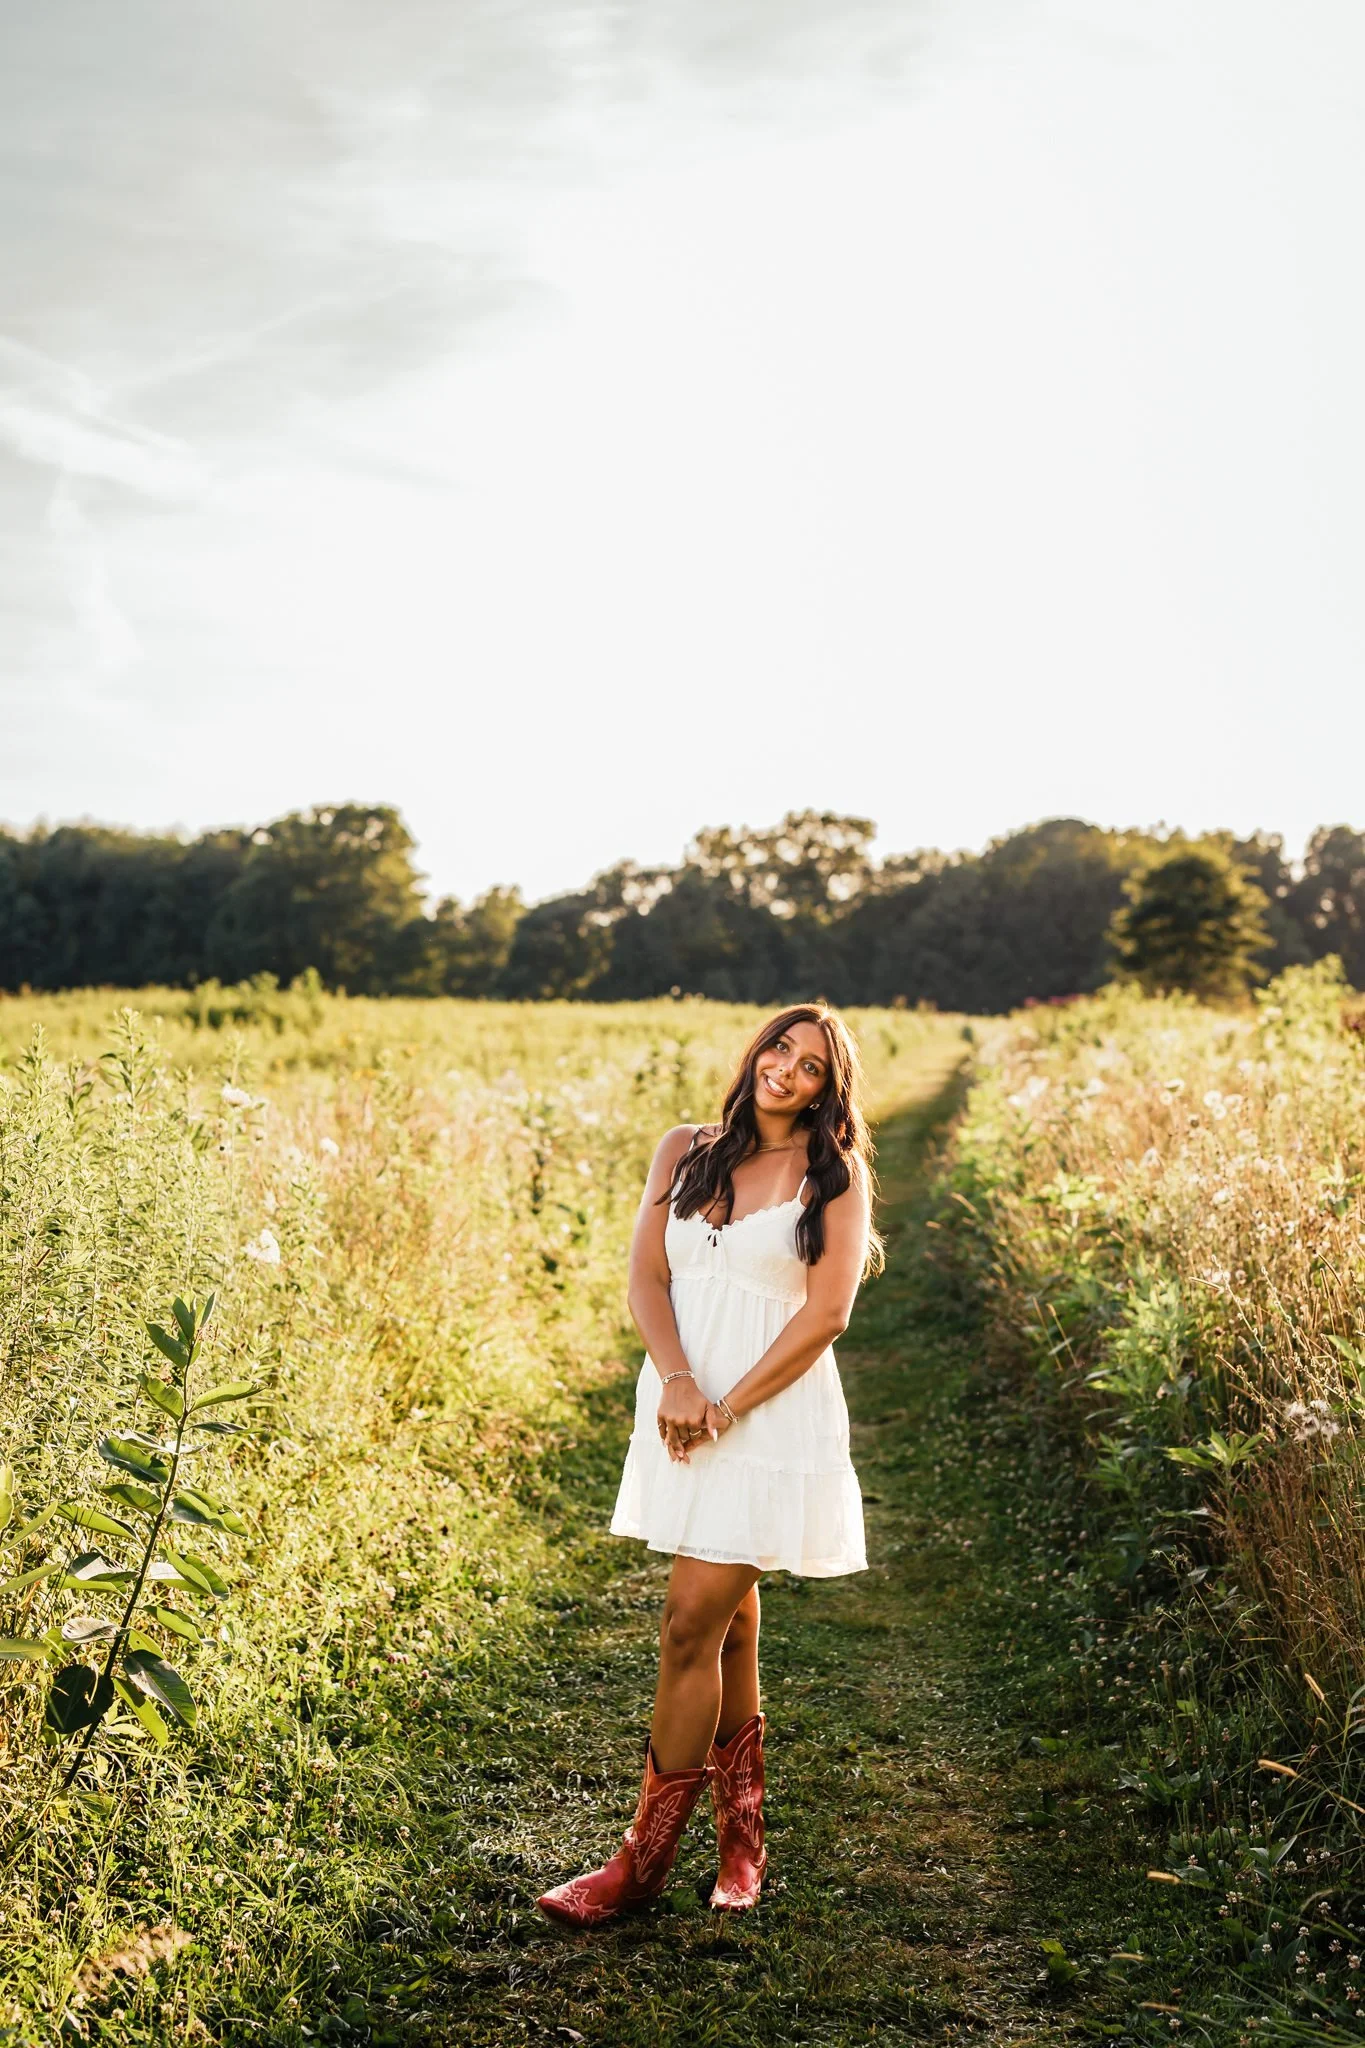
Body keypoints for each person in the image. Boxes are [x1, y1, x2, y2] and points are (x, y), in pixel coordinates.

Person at [536, 1002, 883, 1928]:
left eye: (811, 1066)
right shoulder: (685, 1148)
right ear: (757, 1050)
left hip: (767, 1421)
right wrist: (681, 1382)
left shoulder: (831, 1175)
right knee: (729, 1628)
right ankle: (742, 1839)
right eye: (781, 1048)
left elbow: (826, 1316)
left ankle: (637, 1870)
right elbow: (647, 1278)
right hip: (683, 1410)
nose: (786, 1071)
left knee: (690, 1622)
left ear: (826, 1089)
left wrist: (726, 1404)